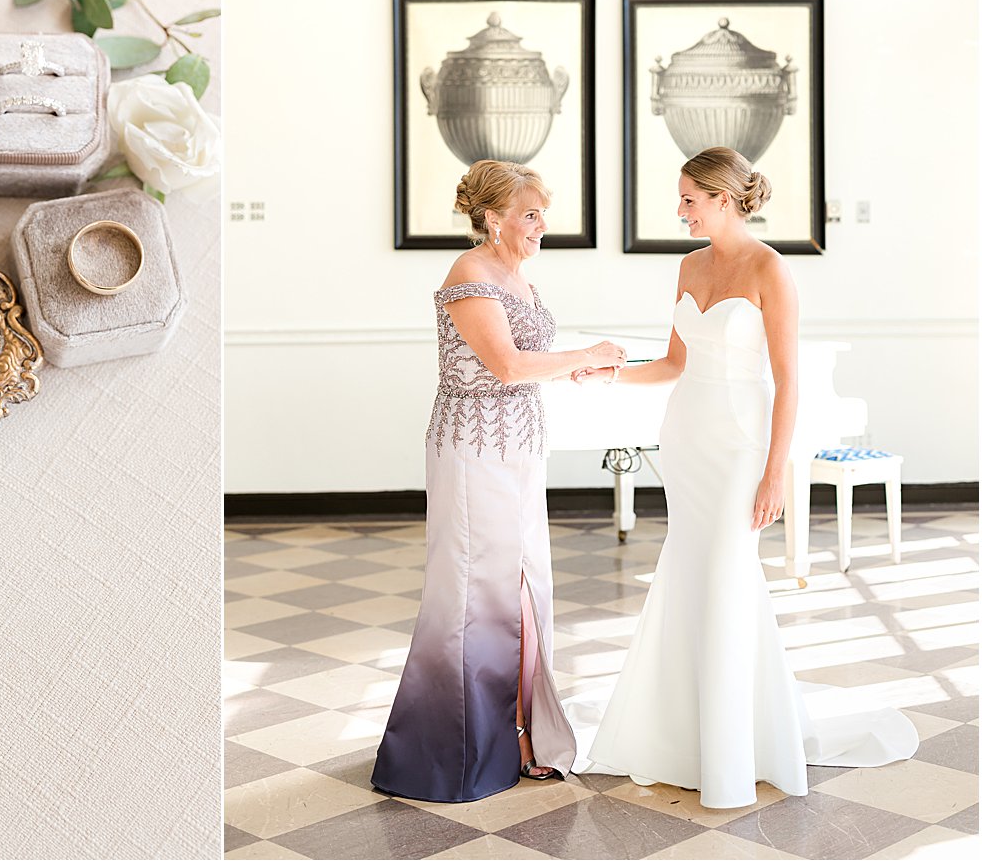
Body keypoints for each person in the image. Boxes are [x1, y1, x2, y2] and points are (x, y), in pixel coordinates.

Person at [569, 147, 917, 808]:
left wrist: (773, 473)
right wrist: (609, 373)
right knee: (690, 572)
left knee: (729, 573)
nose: (680, 212)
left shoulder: (771, 270)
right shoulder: (688, 265)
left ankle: (735, 746)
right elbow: (674, 360)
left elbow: (789, 383)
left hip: (739, 446)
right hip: (685, 436)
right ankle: (684, 737)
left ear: (723, 198)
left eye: (688, 200)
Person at [370, 160, 628, 803]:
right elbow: (508, 365)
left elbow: (529, 368)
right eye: (530, 214)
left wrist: (580, 371)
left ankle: (520, 733)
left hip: (519, 449)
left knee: (521, 587)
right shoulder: (469, 273)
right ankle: (453, 752)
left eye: (543, 212)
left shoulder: (517, 277)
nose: (543, 225)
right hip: (472, 450)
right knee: (469, 593)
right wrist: (586, 356)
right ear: (492, 217)